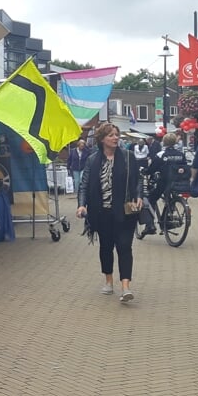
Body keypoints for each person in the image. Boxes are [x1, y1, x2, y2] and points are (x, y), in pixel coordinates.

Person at [76, 122, 142, 302]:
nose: (115, 138)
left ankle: (126, 287)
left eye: (117, 134)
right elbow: (84, 184)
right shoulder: (92, 159)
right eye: (111, 135)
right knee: (106, 247)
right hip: (101, 212)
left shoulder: (128, 157)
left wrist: (139, 195)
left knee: (124, 247)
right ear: (102, 139)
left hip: (125, 212)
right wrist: (82, 205)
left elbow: (137, 179)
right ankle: (108, 280)